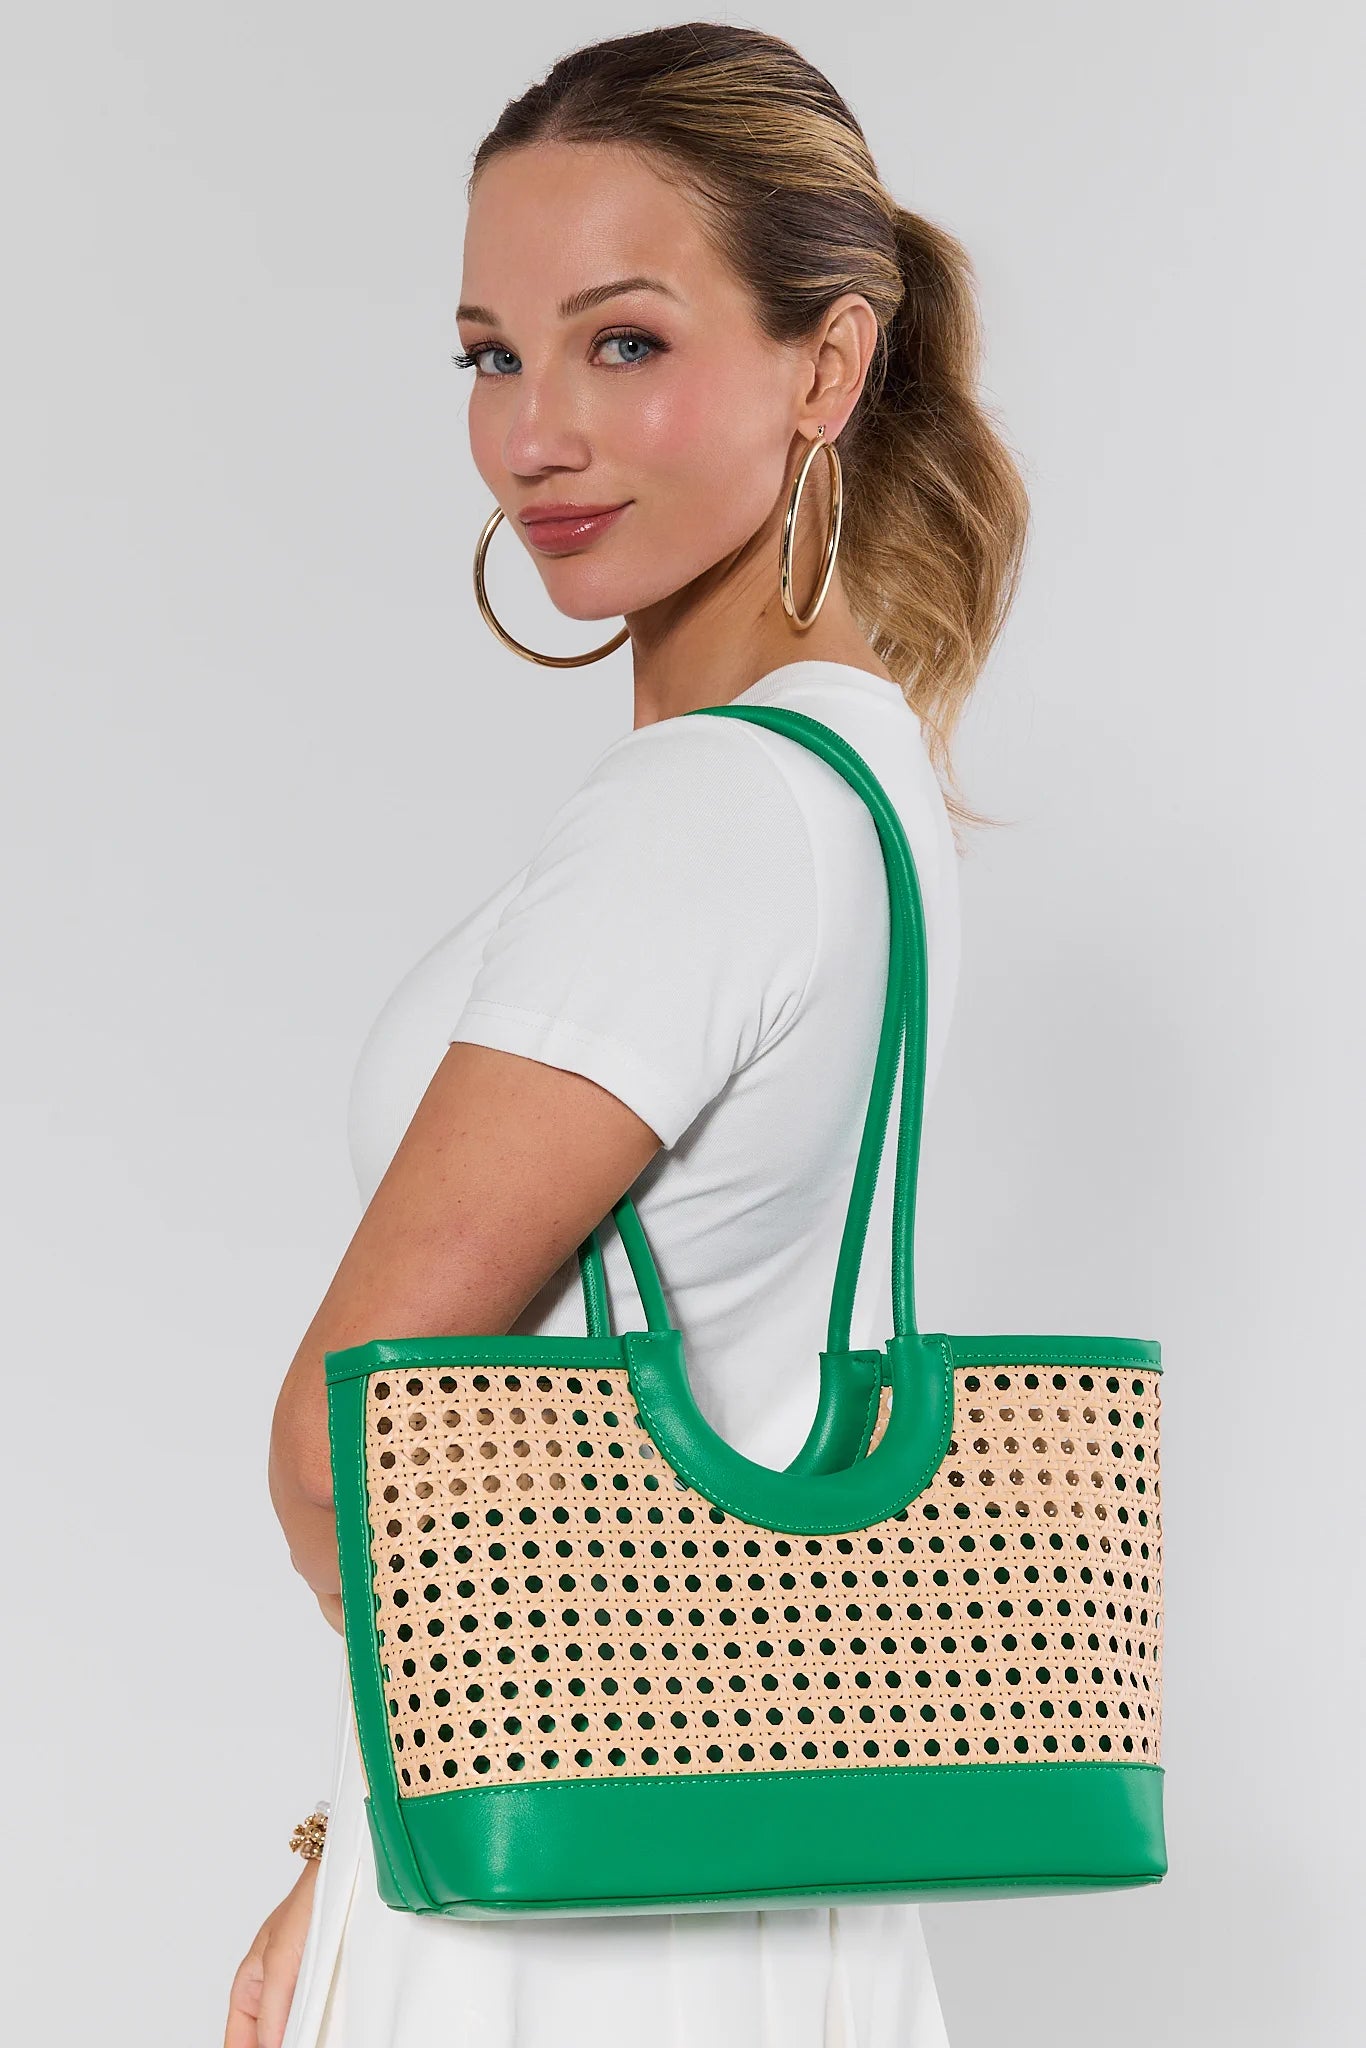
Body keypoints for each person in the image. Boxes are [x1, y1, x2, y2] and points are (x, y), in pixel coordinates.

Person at [224, 22, 1029, 2048]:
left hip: (555, 1932)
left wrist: (347, 1866)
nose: (532, 436)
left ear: (825, 368)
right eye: (491, 355)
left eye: (624, 343)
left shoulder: (703, 813)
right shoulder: (863, 778)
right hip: (774, 1893)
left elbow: (345, 1435)